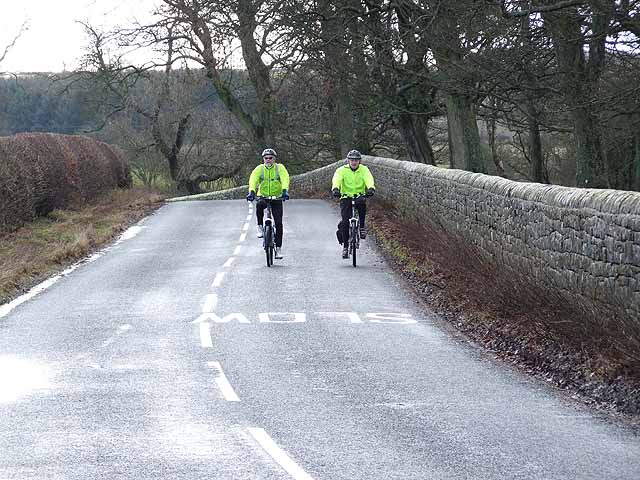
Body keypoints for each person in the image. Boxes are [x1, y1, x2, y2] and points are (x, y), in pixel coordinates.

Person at [246, 148, 290, 259]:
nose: (268, 160)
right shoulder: (259, 169)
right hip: (263, 196)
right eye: (266, 158)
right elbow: (253, 179)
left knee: (279, 224)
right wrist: (251, 191)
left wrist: (285, 191)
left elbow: (285, 178)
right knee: (259, 205)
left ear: (274, 159)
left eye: (270, 158)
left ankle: (279, 249)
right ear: (263, 159)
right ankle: (260, 227)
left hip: (277, 197)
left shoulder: (279, 168)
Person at [331, 149, 375, 259]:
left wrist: (370, 188)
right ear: (348, 161)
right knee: (345, 222)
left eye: (356, 160)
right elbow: (337, 179)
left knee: (362, 206)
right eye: (352, 160)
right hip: (346, 197)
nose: (354, 162)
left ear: (359, 161)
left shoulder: (364, 170)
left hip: (359, 196)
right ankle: (345, 247)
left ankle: (362, 227)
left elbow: (369, 179)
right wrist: (335, 188)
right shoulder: (342, 170)